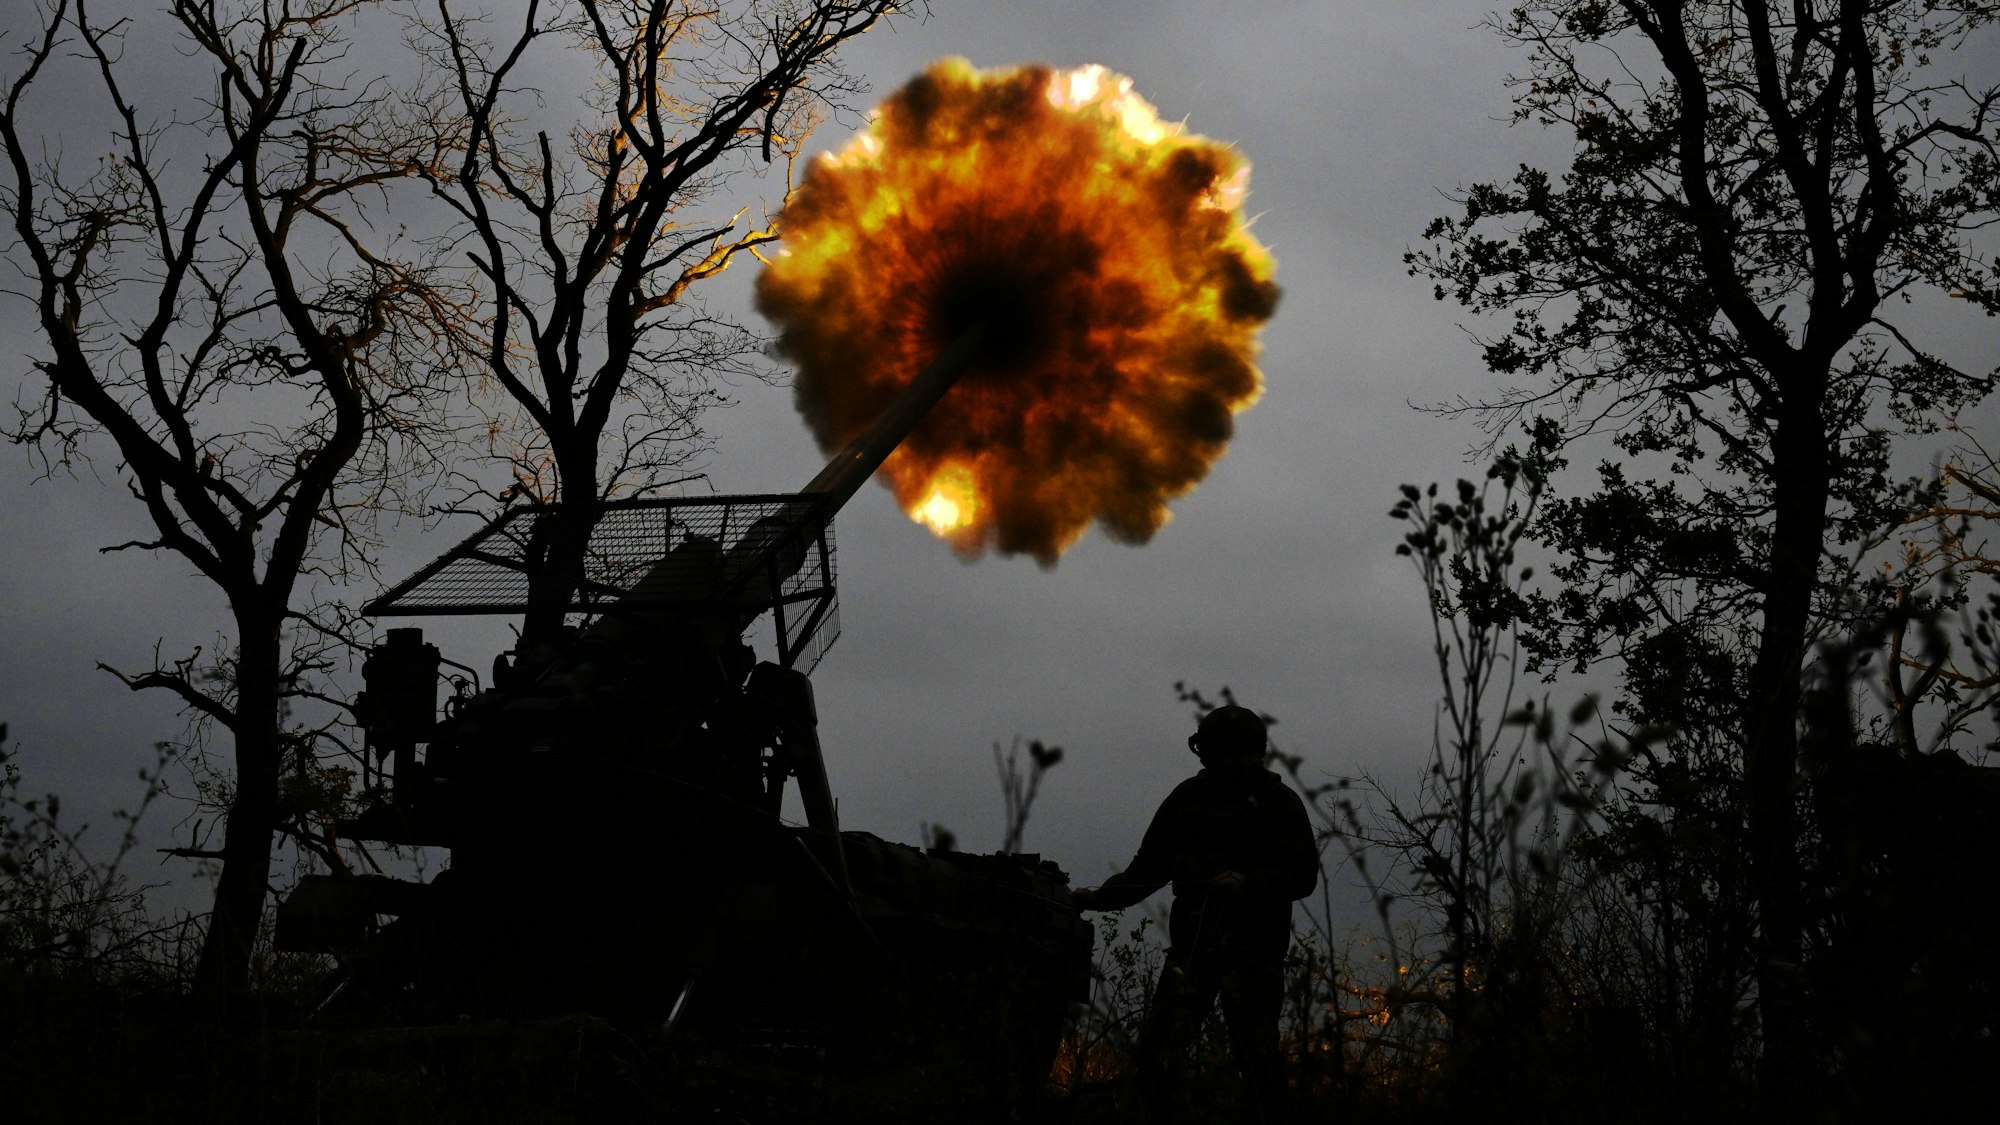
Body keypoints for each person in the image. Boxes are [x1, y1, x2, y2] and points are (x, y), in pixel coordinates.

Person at [1070, 703, 1318, 1123]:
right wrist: (1097, 899)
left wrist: (1249, 883)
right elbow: (1147, 871)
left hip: (1255, 952)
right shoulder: (1189, 799)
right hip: (1194, 949)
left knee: (1256, 1057)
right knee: (1160, 1049)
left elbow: (1303, 876)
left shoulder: (1279, 803)